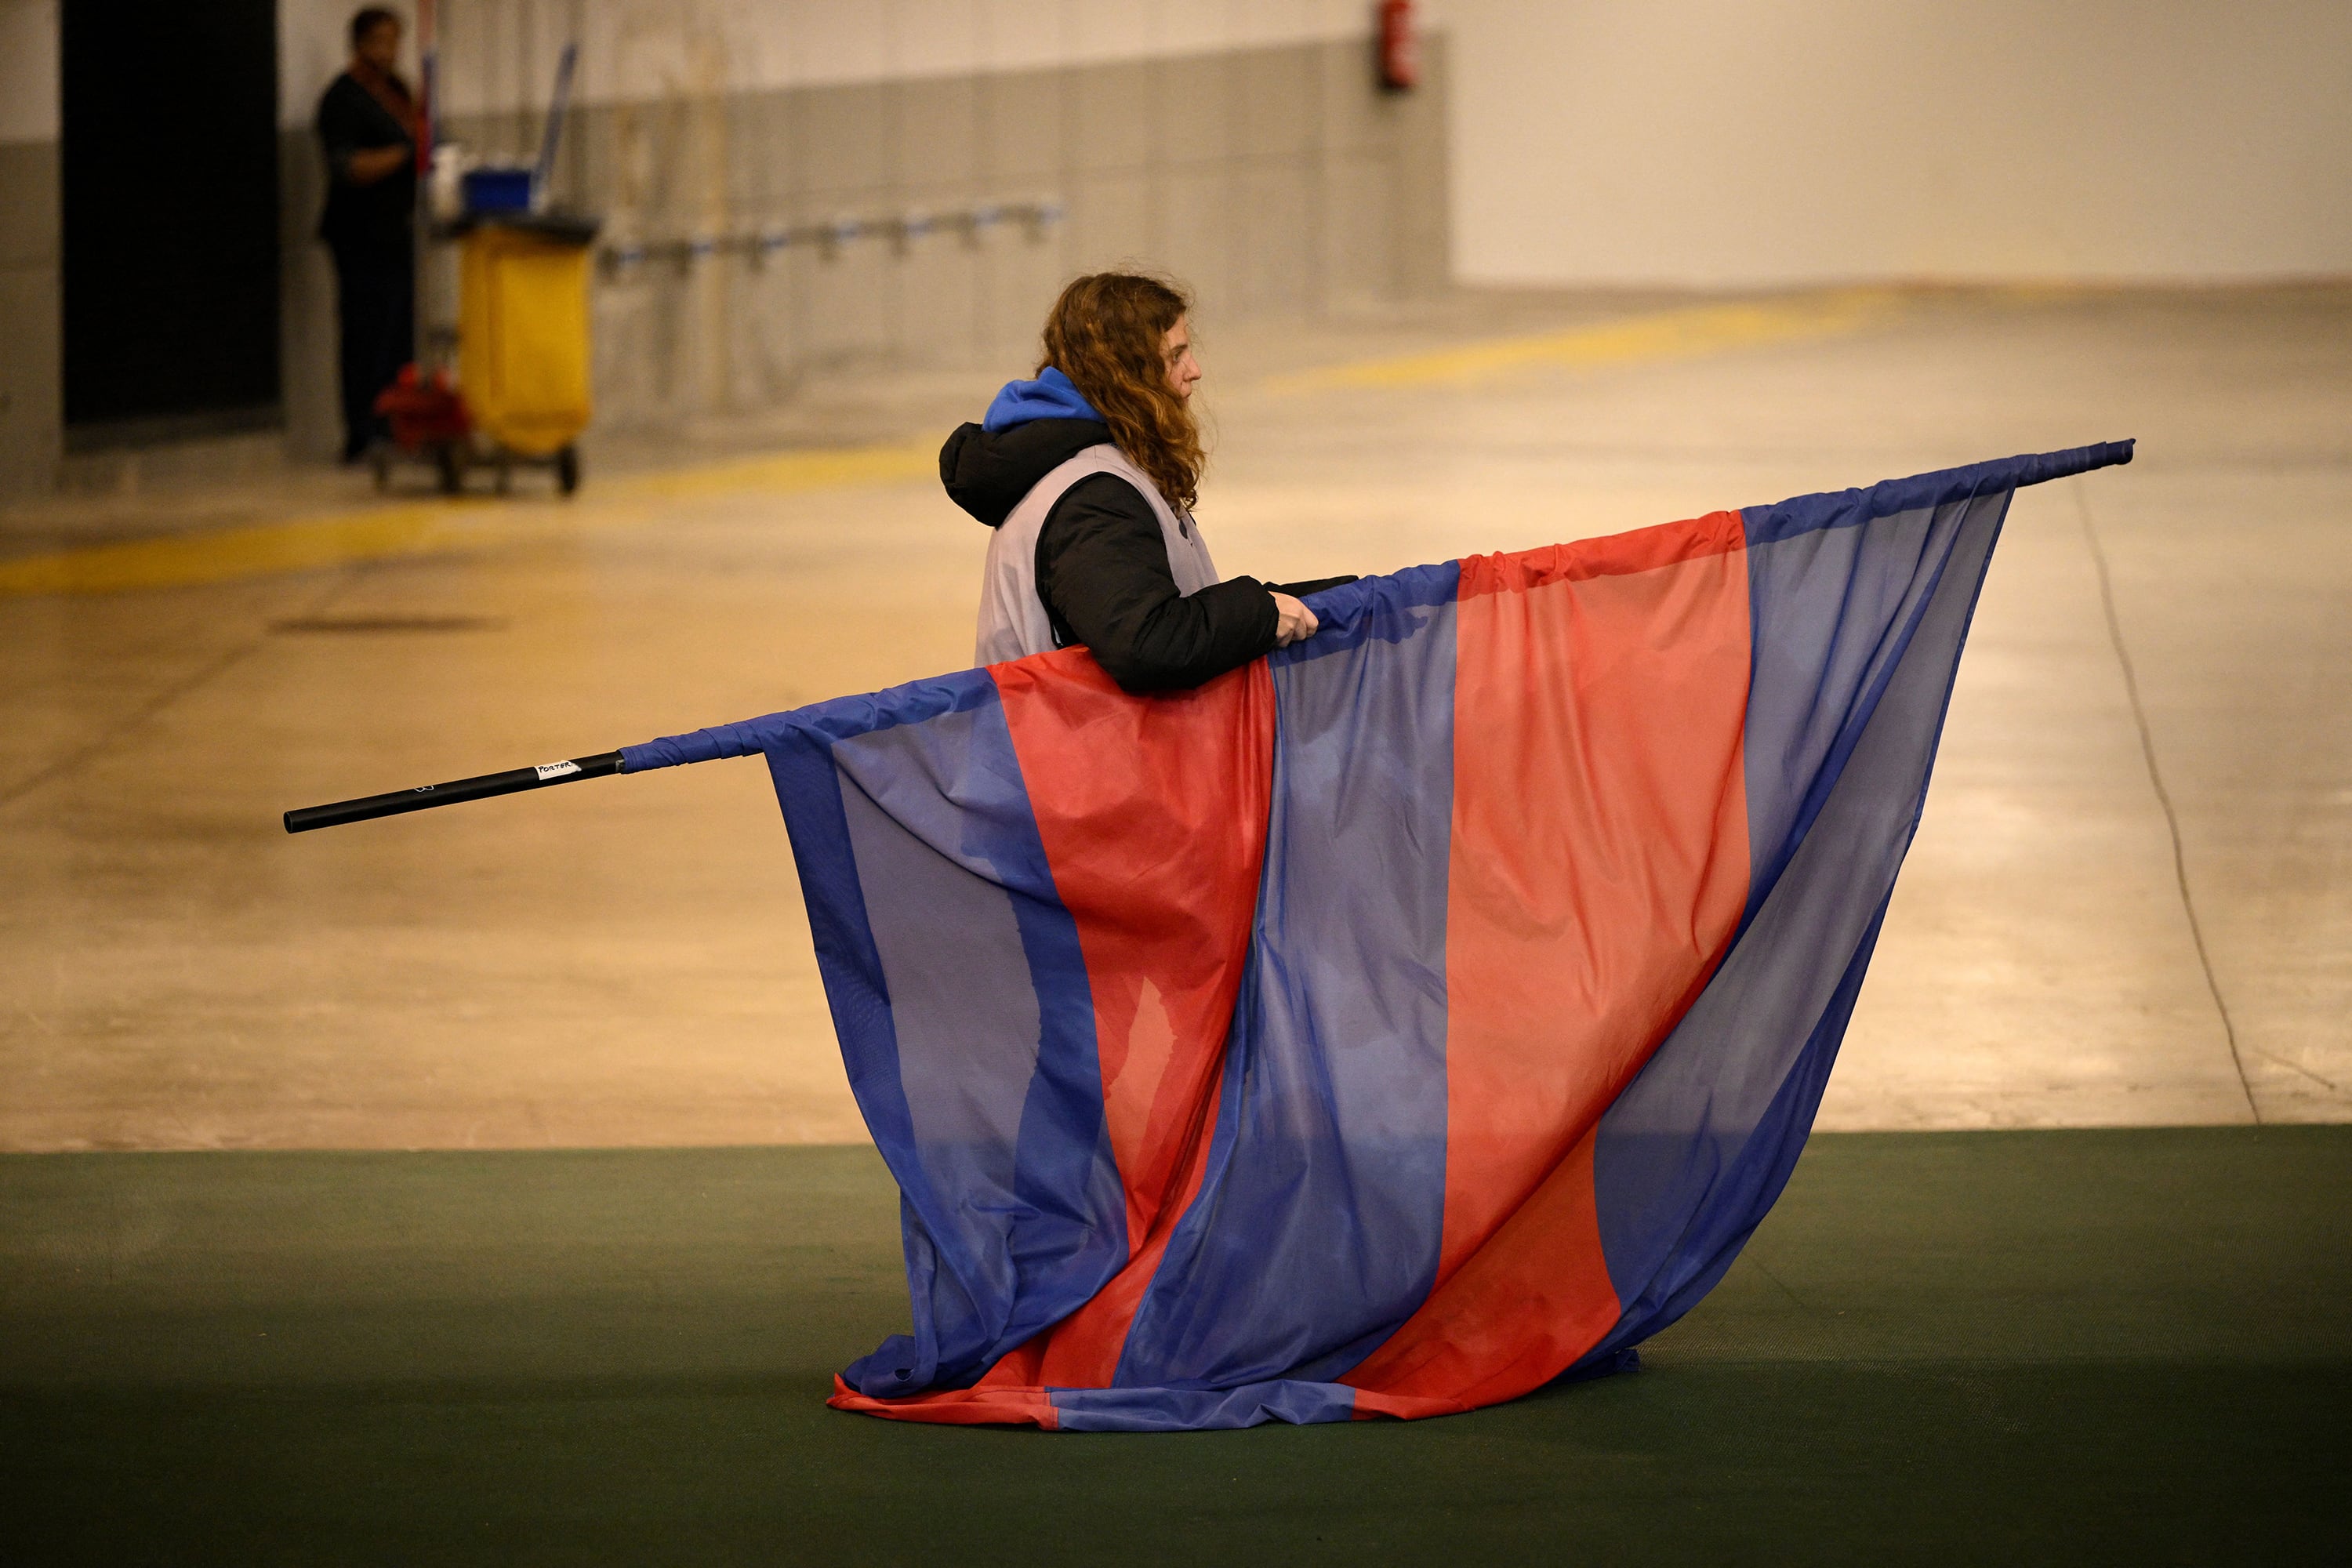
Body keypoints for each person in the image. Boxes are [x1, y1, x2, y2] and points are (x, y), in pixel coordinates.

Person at [942, 272, 1352, 691]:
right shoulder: (1091, 494)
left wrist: (1334, 600)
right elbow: (1147, 644)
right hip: (1059, 752)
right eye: (1176, 356)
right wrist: (1258, 614)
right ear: (1127, 375)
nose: (1194, 371)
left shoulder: (1104, 465)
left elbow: (1160, 612)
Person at [316, 7, 419, 463]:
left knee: (399, 334)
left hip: (399, 232)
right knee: (365, 334)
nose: (388, 51)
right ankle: (361, 432)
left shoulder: (397, 92)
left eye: (394, 41)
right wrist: (401, 155)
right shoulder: (342, 99)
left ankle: (398, 423)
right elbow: (348, 167)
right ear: (359, 44)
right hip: (359, 236)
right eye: (379, 41)